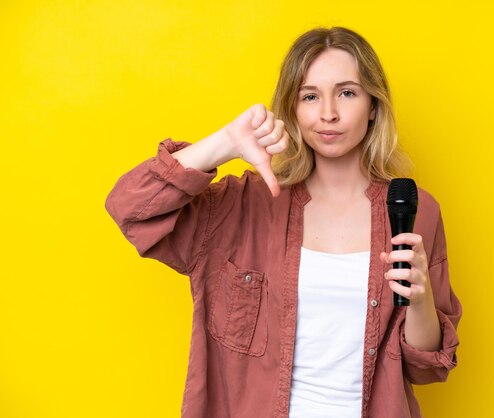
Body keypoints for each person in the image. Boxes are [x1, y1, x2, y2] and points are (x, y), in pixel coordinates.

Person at [105, 27, 461, 418]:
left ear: (373, 105)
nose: (328, 113)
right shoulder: (241, 206)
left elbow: (426, 366)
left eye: (347, 92)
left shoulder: (415, 210)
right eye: (310, 96)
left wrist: (420, 295)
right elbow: (130, 208)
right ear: (292, 109)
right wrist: (225, 143)